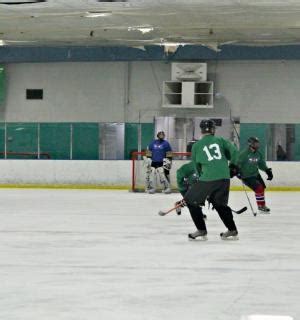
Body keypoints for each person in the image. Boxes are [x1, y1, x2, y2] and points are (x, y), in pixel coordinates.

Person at [178, 119, 239, 241]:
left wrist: (202, 180)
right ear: (213, 130)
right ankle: (232, 229)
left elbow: (196, 166)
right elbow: (234, 152)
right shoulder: (221, 140)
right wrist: (232, 167)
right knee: (220, 204)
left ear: (201, 130)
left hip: (208, 178)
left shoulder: (196, 145)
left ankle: (201, 230)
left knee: (190, 201)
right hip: (224, 177)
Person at [237, 136, 273, 213]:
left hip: (256, 174)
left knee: (262, 188)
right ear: (250, 144)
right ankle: (261, 206)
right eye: (255, 143)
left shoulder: (258, 154)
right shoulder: (244, 154)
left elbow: (261, 164)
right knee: (259, 188)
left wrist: (267, 171)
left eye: (258, 143)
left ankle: (262, 205)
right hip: (247, 176)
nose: (257, 145)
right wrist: (237, 172)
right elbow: (238, 164)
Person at [176, 161, 207, 227]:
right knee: (191, 202)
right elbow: (179, 173)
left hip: (193, 185)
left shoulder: (205, 167)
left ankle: (179, 204)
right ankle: (179, 204)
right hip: (184, 187)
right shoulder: (189, 167)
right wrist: (183, 182)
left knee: (197, 201)